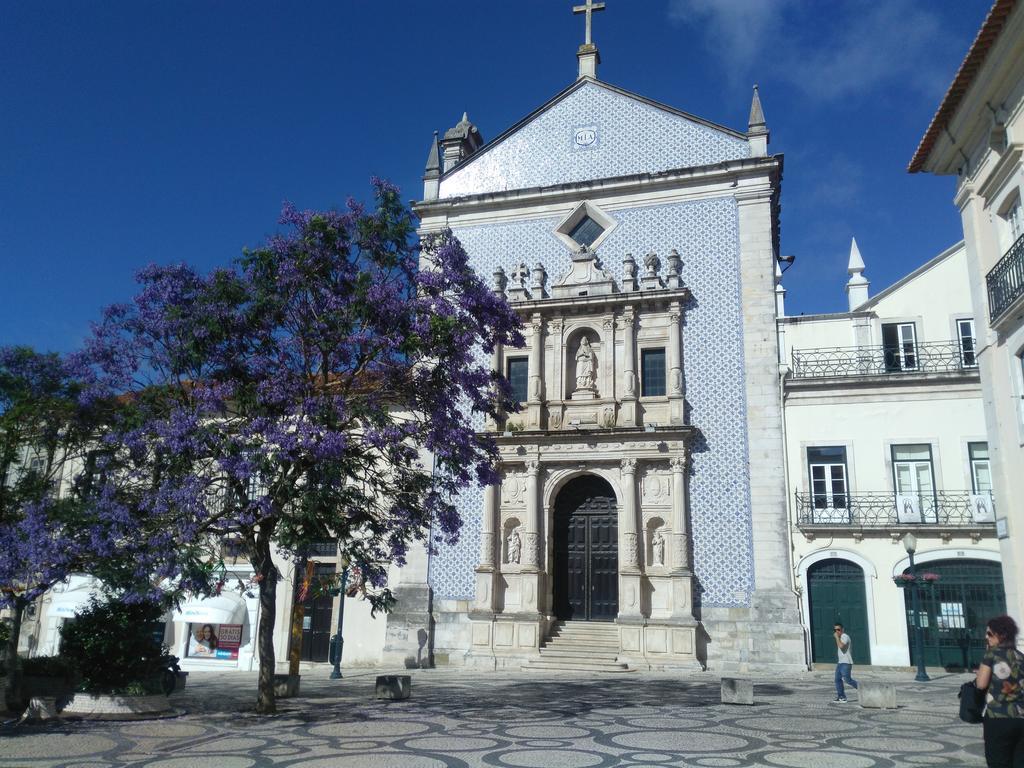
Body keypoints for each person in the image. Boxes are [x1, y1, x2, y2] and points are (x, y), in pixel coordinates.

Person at [976, 614, 1024, 767]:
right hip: (1021, 717)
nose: (986, 637)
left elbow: (981, 684)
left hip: (998, 717)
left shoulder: (991, 655)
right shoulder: (1021, 656)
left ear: (1002, 635)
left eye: (990, 634)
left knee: (999, 762)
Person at [833, 622, 859, 703]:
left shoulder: (844, 636)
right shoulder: (840, 637)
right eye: (835, 630)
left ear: (842, 629)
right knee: (837, 679)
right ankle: (841, 697)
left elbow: (841, 646)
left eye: (838, 629)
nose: (837, 631)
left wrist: (837, 638)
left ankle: (863, 689)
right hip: (840, 662)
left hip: (846, 662)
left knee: (848, 680)